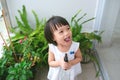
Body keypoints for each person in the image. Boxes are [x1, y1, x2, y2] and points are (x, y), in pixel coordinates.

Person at [44, 16, 82, 80]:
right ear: (53, 38)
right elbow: (50, 62)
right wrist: (59, 63)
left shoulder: (74, 46)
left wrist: (71, 63)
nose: (67, 33)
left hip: (71, 70)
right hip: (58, 73)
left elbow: (79, 57)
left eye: (68, 28)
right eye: (61, 31)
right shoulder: (53, 48)